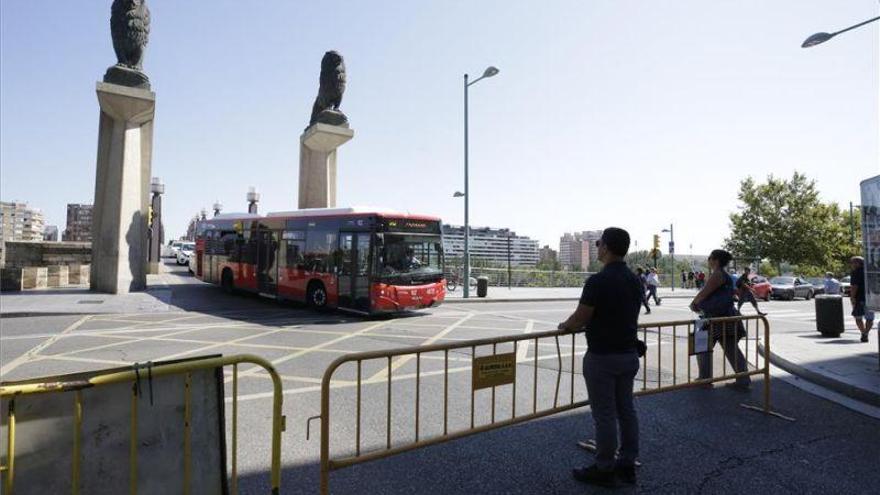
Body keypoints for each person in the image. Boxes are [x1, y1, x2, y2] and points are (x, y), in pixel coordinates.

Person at [559, 227, 641, 487]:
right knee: (626, 410)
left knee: (604, 414)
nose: (597, 248)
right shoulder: (635, 280)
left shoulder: (597, 281)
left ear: (605, 248)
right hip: (628, 354)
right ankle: (627, 464)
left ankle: (604, 468)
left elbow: (580, 318)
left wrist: (565, 325)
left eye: (598, 244)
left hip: (603, 357)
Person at [689, 249, 751, 390]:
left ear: (716, 260)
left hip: (714, 317)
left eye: (710, 257)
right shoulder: (725, 275)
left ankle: (705, 379)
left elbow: (704, 292)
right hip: (726, 316)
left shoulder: (717, 274)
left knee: (702, 346)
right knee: (731, 348)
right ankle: (743, 380)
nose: (708, 260)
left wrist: (694, 303)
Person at [849, 256, 874, 343]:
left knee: (858, 317)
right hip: (871, 298)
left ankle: (864, 333)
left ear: (857, 263)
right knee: (870, 318)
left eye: (852, 263)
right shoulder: (870, 271)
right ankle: (866, 332)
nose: (851, 265)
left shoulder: (855, 272)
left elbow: (854, 286)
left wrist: (852, 297)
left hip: (860, 298)